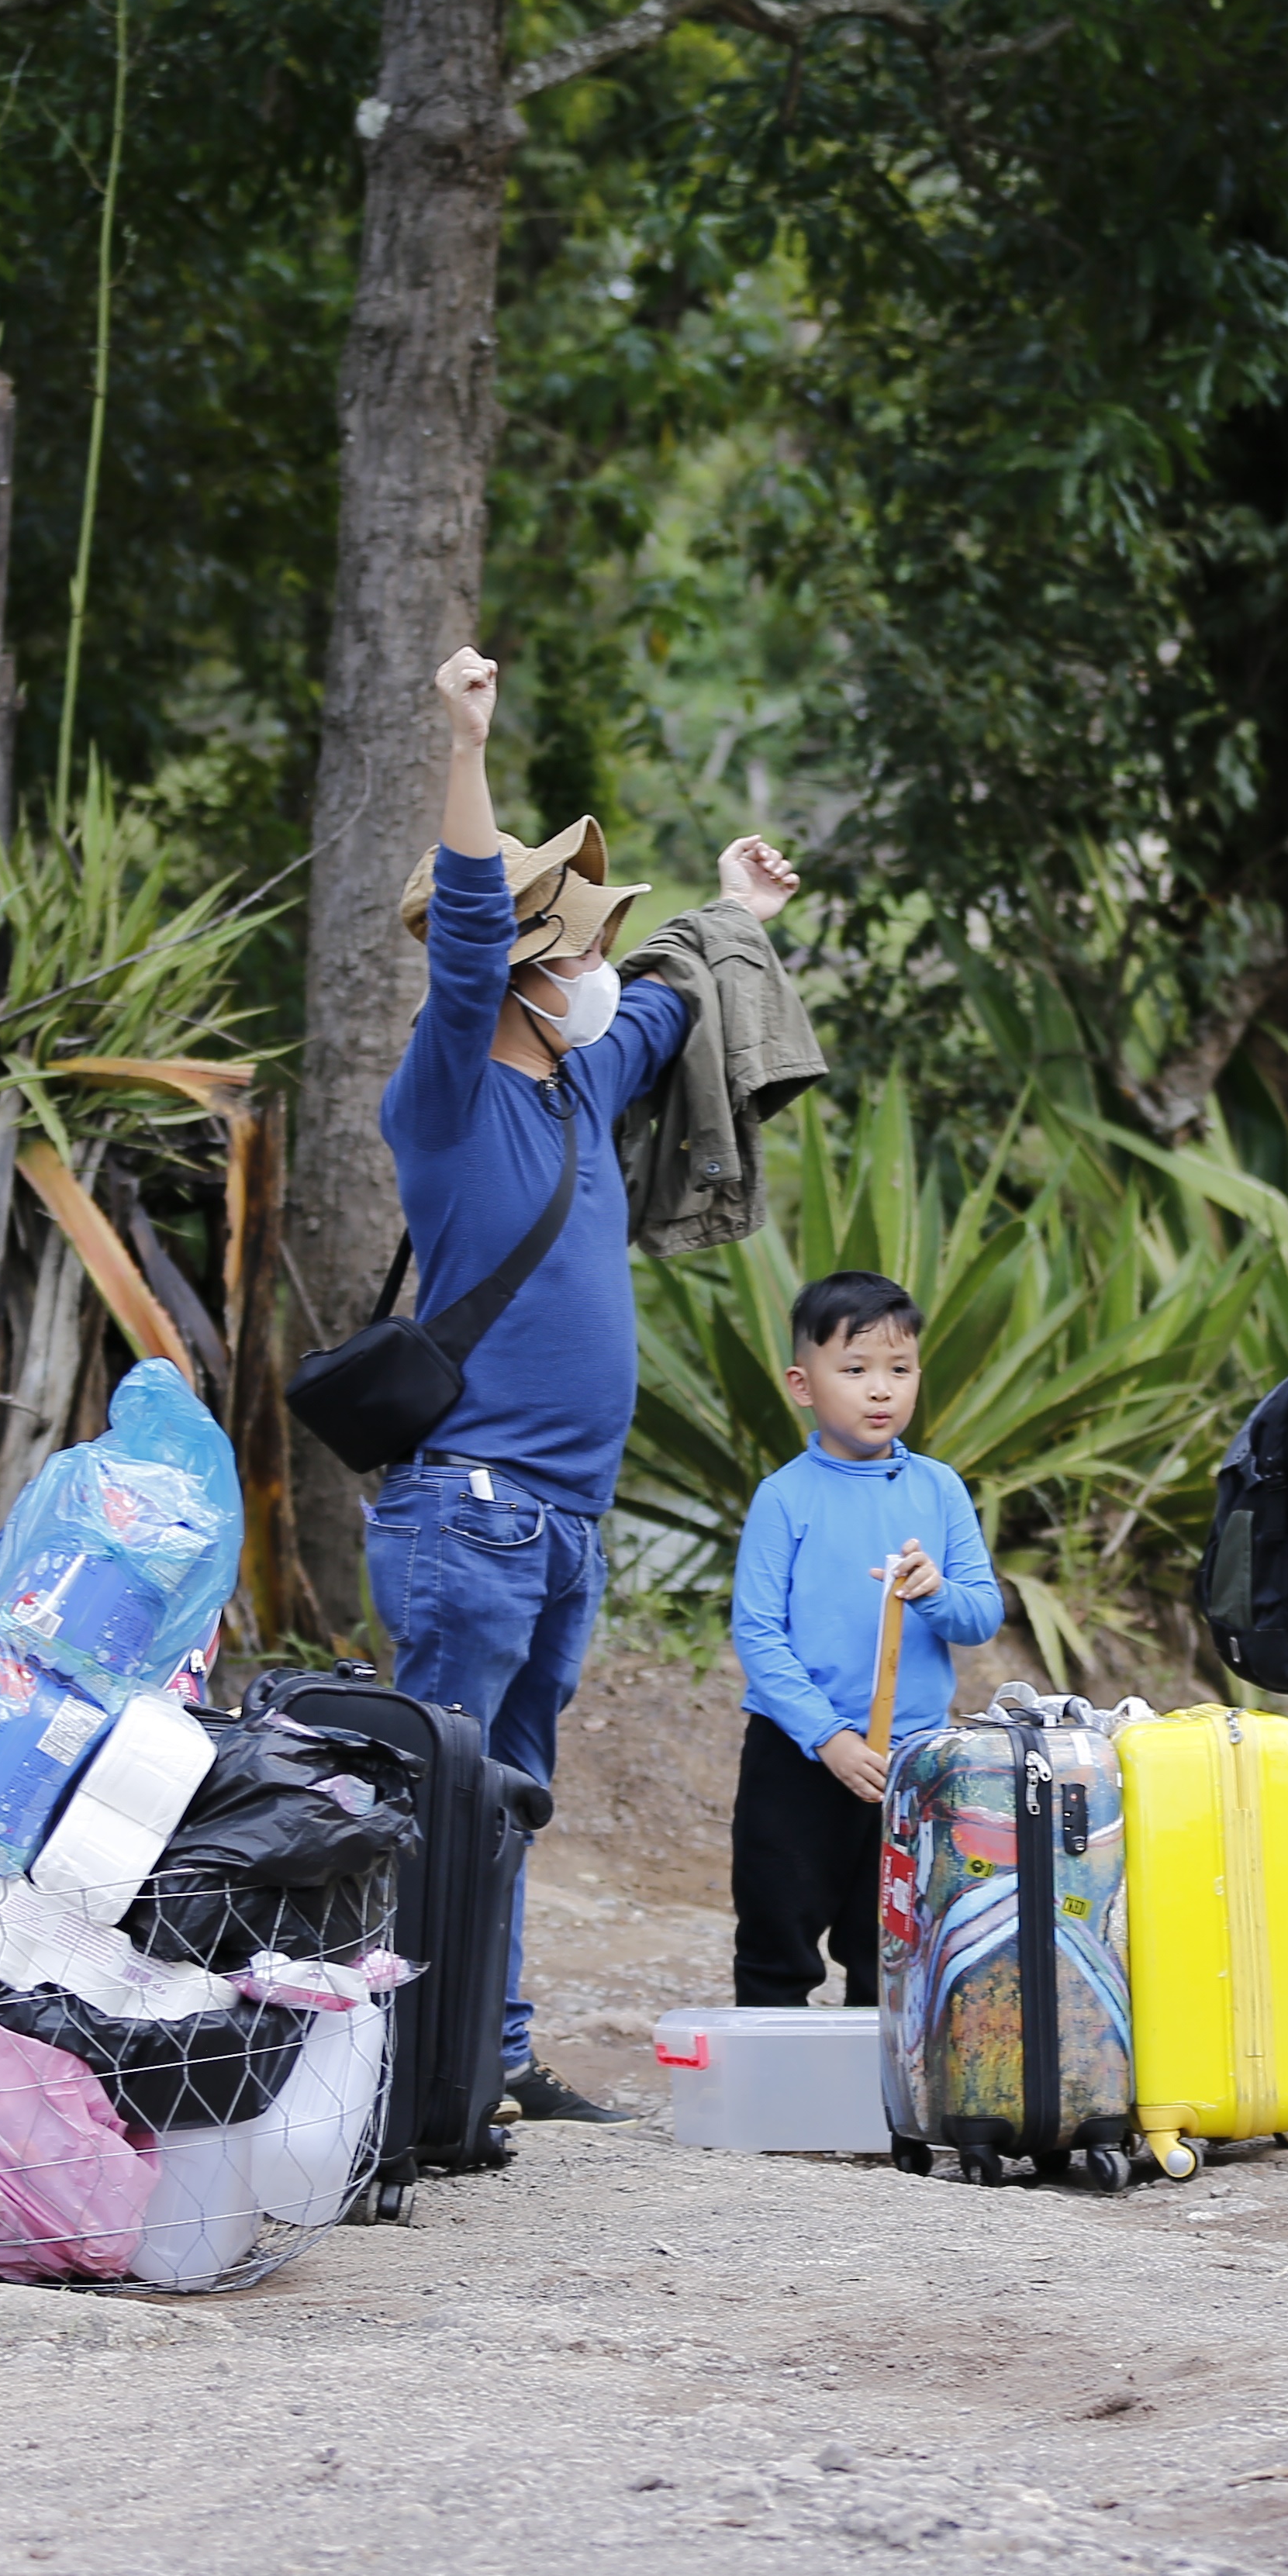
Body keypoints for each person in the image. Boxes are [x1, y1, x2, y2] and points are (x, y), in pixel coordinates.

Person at [372, 645, 800, 2122]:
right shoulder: (448, 1088)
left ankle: (481, 2057)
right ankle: (400, 2067)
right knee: (435, 1801)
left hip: (559, 1521)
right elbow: (476, 920)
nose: (594, 972)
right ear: (518, 975)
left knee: (503, 1804)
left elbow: (674, 1011)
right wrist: (468, 741)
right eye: (574, 954)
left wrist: (733, 914)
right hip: (468, 1515)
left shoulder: (577, 1083)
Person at [724, 1271, 1004, 2009]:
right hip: (798, 1758)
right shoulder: (785, 1495)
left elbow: (980, 1616)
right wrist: (829, 1738)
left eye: (899, 1370)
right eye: (854, 1370)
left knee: (888, 1947)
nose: (880, 1390)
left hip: (910, 1763)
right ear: (802, 1384)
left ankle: (886, 2115)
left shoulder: (939, 1489)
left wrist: (937, 1591)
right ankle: (780, 2118)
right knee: (777, 1938)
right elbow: (757, 1631)